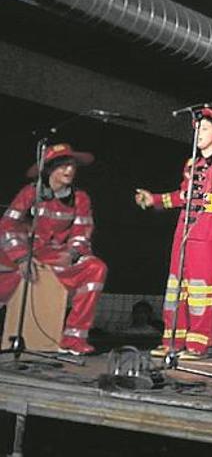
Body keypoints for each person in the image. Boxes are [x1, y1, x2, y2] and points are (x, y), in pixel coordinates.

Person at [135, 108, 212, 360]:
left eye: (205, 129)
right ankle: (172, 341)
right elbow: (181, 196)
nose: (198, 133)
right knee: (175, 288)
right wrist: (153, 200)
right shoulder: (191, 164)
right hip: (184, 230)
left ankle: (198, 344)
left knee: (201, 289)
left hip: (209, 232)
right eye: (197, 129)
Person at [0, 143, 107, 355]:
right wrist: (21, 258)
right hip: (21, 254)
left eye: (72, 166)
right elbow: (6, 227)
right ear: (49, 169)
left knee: (96, 268)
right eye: (63, 166)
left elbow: (82, 232)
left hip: (57, 257)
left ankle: (73, 340)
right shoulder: (30, 192)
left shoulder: (80, 198)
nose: (70, 170)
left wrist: (73, 253)